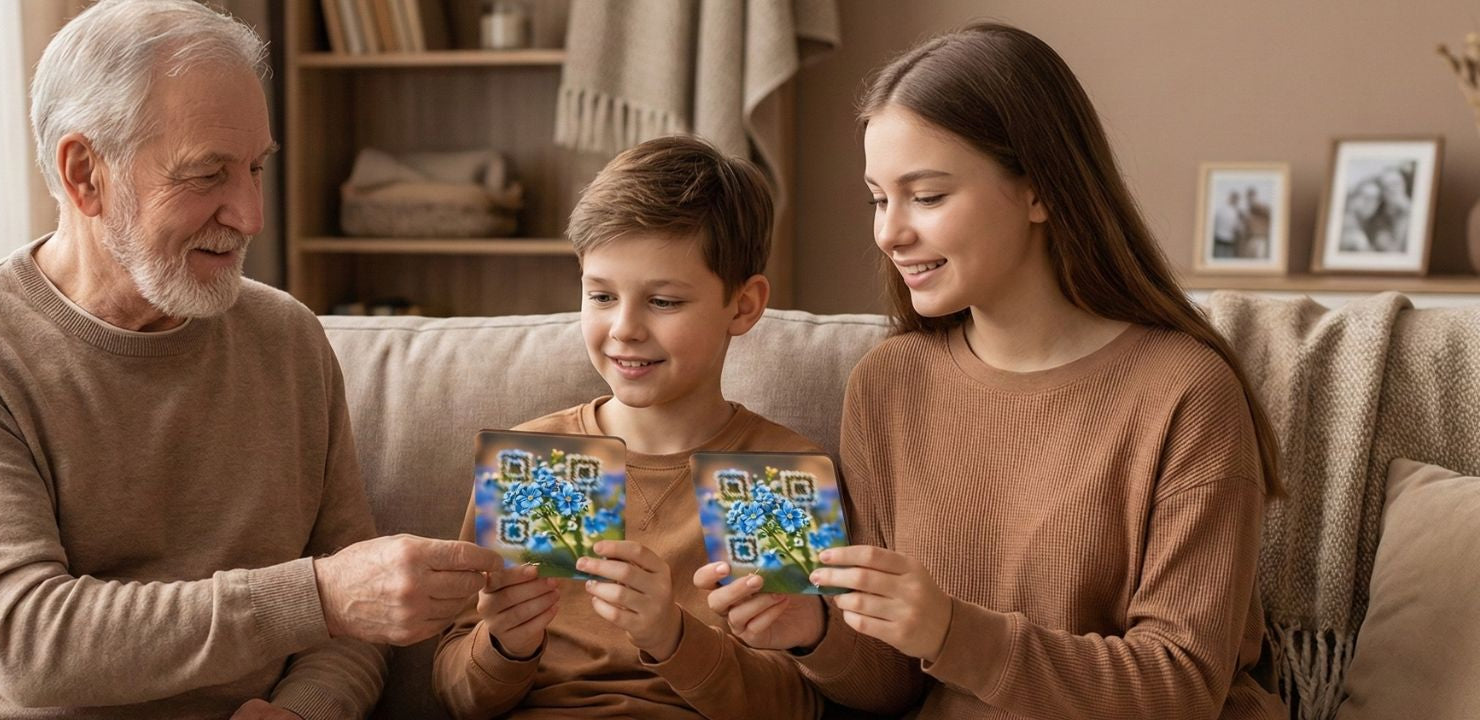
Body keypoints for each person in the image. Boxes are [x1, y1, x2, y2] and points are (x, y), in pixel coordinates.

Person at [0, 2, 500, 718]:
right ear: (85, 175)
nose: (251, 214)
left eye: (256, 168)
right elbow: (30, 646)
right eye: (207, 175)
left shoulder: (287, 341)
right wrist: (318, 596)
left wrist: (303, 710)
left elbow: (354, 628)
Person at [699, 23, 1287, 718]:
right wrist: (816, 633)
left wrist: (954, 630)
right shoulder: (889, 384)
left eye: (927, 195)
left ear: (1040, 191)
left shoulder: (1185, 392)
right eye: (878, 198)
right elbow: (895, 684)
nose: (889, 233)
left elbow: (1180, 686)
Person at [432, 136, 825, 719]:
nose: (624, 328)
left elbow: (796, 705)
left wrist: (673, 637)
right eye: (601, 295)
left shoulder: (767, 474)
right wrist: (503, 646)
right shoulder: (540, 464)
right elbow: (457, 694)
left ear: (742, 307)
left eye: (663, 302)